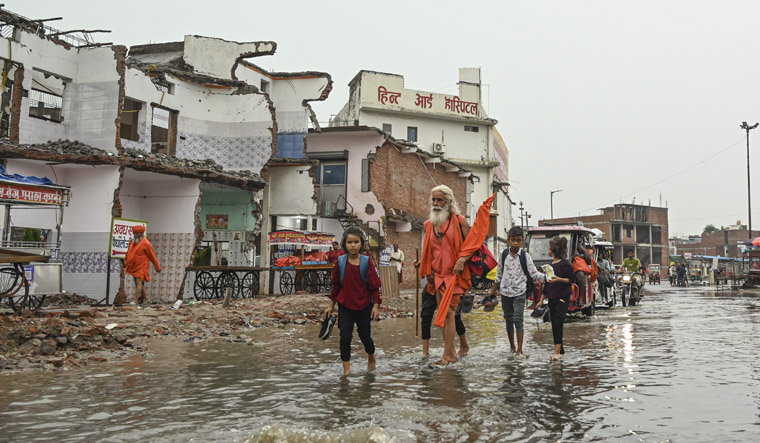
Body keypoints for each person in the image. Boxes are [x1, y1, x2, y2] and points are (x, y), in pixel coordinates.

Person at [419, 184, 473, 366]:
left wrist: (462, 260)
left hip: (456, 275)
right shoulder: (429, 225)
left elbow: (472, 246)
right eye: (433, 199)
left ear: (448, 202)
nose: (435, 203)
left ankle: (447, 356)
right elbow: (430, 251)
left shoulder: (459, 221)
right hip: (438, 276)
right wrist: (427, 269)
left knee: (450, 313)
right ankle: (451, 353)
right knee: (443, 314)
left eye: (439, 199)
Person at [325, 226, 381, 375]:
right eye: (350, 242)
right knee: (345, 336)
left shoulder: (366, 262)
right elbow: (336, 285)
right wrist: (331, 306)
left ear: (361, 243)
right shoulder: (341, 261)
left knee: (365, 336)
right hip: (345, 305)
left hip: (363, 305)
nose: (353, 245)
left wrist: (376, 306)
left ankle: (371, 357)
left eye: (356, 242)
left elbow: (375, 286)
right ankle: (347, 371)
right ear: (345, 243)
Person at [486, 226, 545, 355]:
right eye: (513, 240)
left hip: (520, 292)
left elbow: (534, 273)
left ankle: (519, 350)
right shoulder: (504, 254)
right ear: (508, 240)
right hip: (505, 293)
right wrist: (492, 291)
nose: (516, 243)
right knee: (508, 319)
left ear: (522, 241)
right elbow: (499, 274)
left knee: (518, 319)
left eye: (518, 240)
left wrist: (547, 278)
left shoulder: (525, 256)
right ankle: (512, 347)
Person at [534, 236, 575, 360]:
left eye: (549, 247)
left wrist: (559, 279)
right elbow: (547, 284)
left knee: (558, 322)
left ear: (554, 250)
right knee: (554, 323)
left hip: (563, 297)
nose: (548, 249)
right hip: (552, 298)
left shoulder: (565, 264)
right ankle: (561, 350)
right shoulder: (549, 266)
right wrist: (541, 300)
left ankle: (556, 351)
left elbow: (571, 279)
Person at [125, 225, 161, 304]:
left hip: (142, 266)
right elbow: (128, 252)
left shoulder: (146, 243)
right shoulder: (132, 242)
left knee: (138, 283)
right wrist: (126, 261)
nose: (135, 235)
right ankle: (147, 299)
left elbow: (152, 256)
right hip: (133, 266)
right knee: (139, 284)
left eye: (136, 233)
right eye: (134, 233)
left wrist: (157, 267)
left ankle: (135, 300)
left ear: (141, 233)